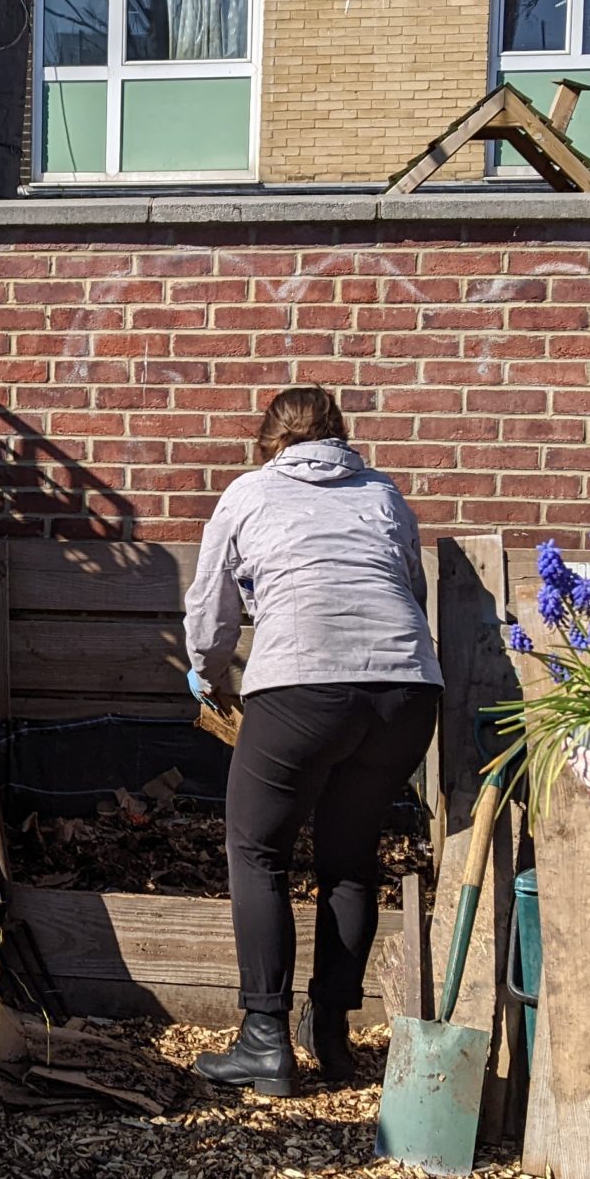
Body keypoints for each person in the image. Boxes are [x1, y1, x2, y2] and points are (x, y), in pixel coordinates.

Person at [181, 385, 442, 1097]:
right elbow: (410, 593)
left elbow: (211, 609)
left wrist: (204, 676)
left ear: (268, 443)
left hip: (302, 686)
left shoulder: (248, 492)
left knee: (257, 849)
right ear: (341, 437)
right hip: (405, 692)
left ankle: (265, 1040)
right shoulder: (383, 495)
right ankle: (331, 1036)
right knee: (349, 857)